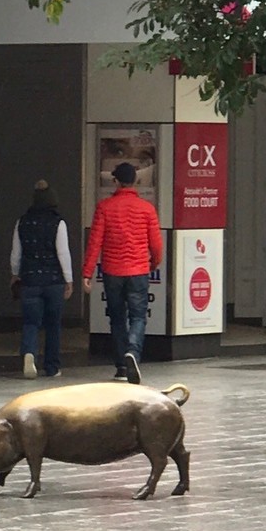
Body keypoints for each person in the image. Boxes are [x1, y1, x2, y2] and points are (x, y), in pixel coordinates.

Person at [82, 161, 163, 385]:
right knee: (138, 316)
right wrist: (154, 263)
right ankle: (133, 354)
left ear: (116, 181)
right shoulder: (147, 209)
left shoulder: (104, 207)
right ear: (135, 181)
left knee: (117, 318)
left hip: (112, 271)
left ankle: (120, 366)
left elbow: (94, 243)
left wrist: (87, 273)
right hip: (138, 270)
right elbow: (156, 244)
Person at [10, 179, 73, 379]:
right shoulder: (58, 223)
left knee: (30, 322)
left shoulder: (22, 222)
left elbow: (16, 253)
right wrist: (69, 279)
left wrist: (14, 274)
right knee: (53, 324)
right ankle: (52, 366)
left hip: (29, 280)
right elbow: (63, 253)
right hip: (54, 281)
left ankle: (29, 353)